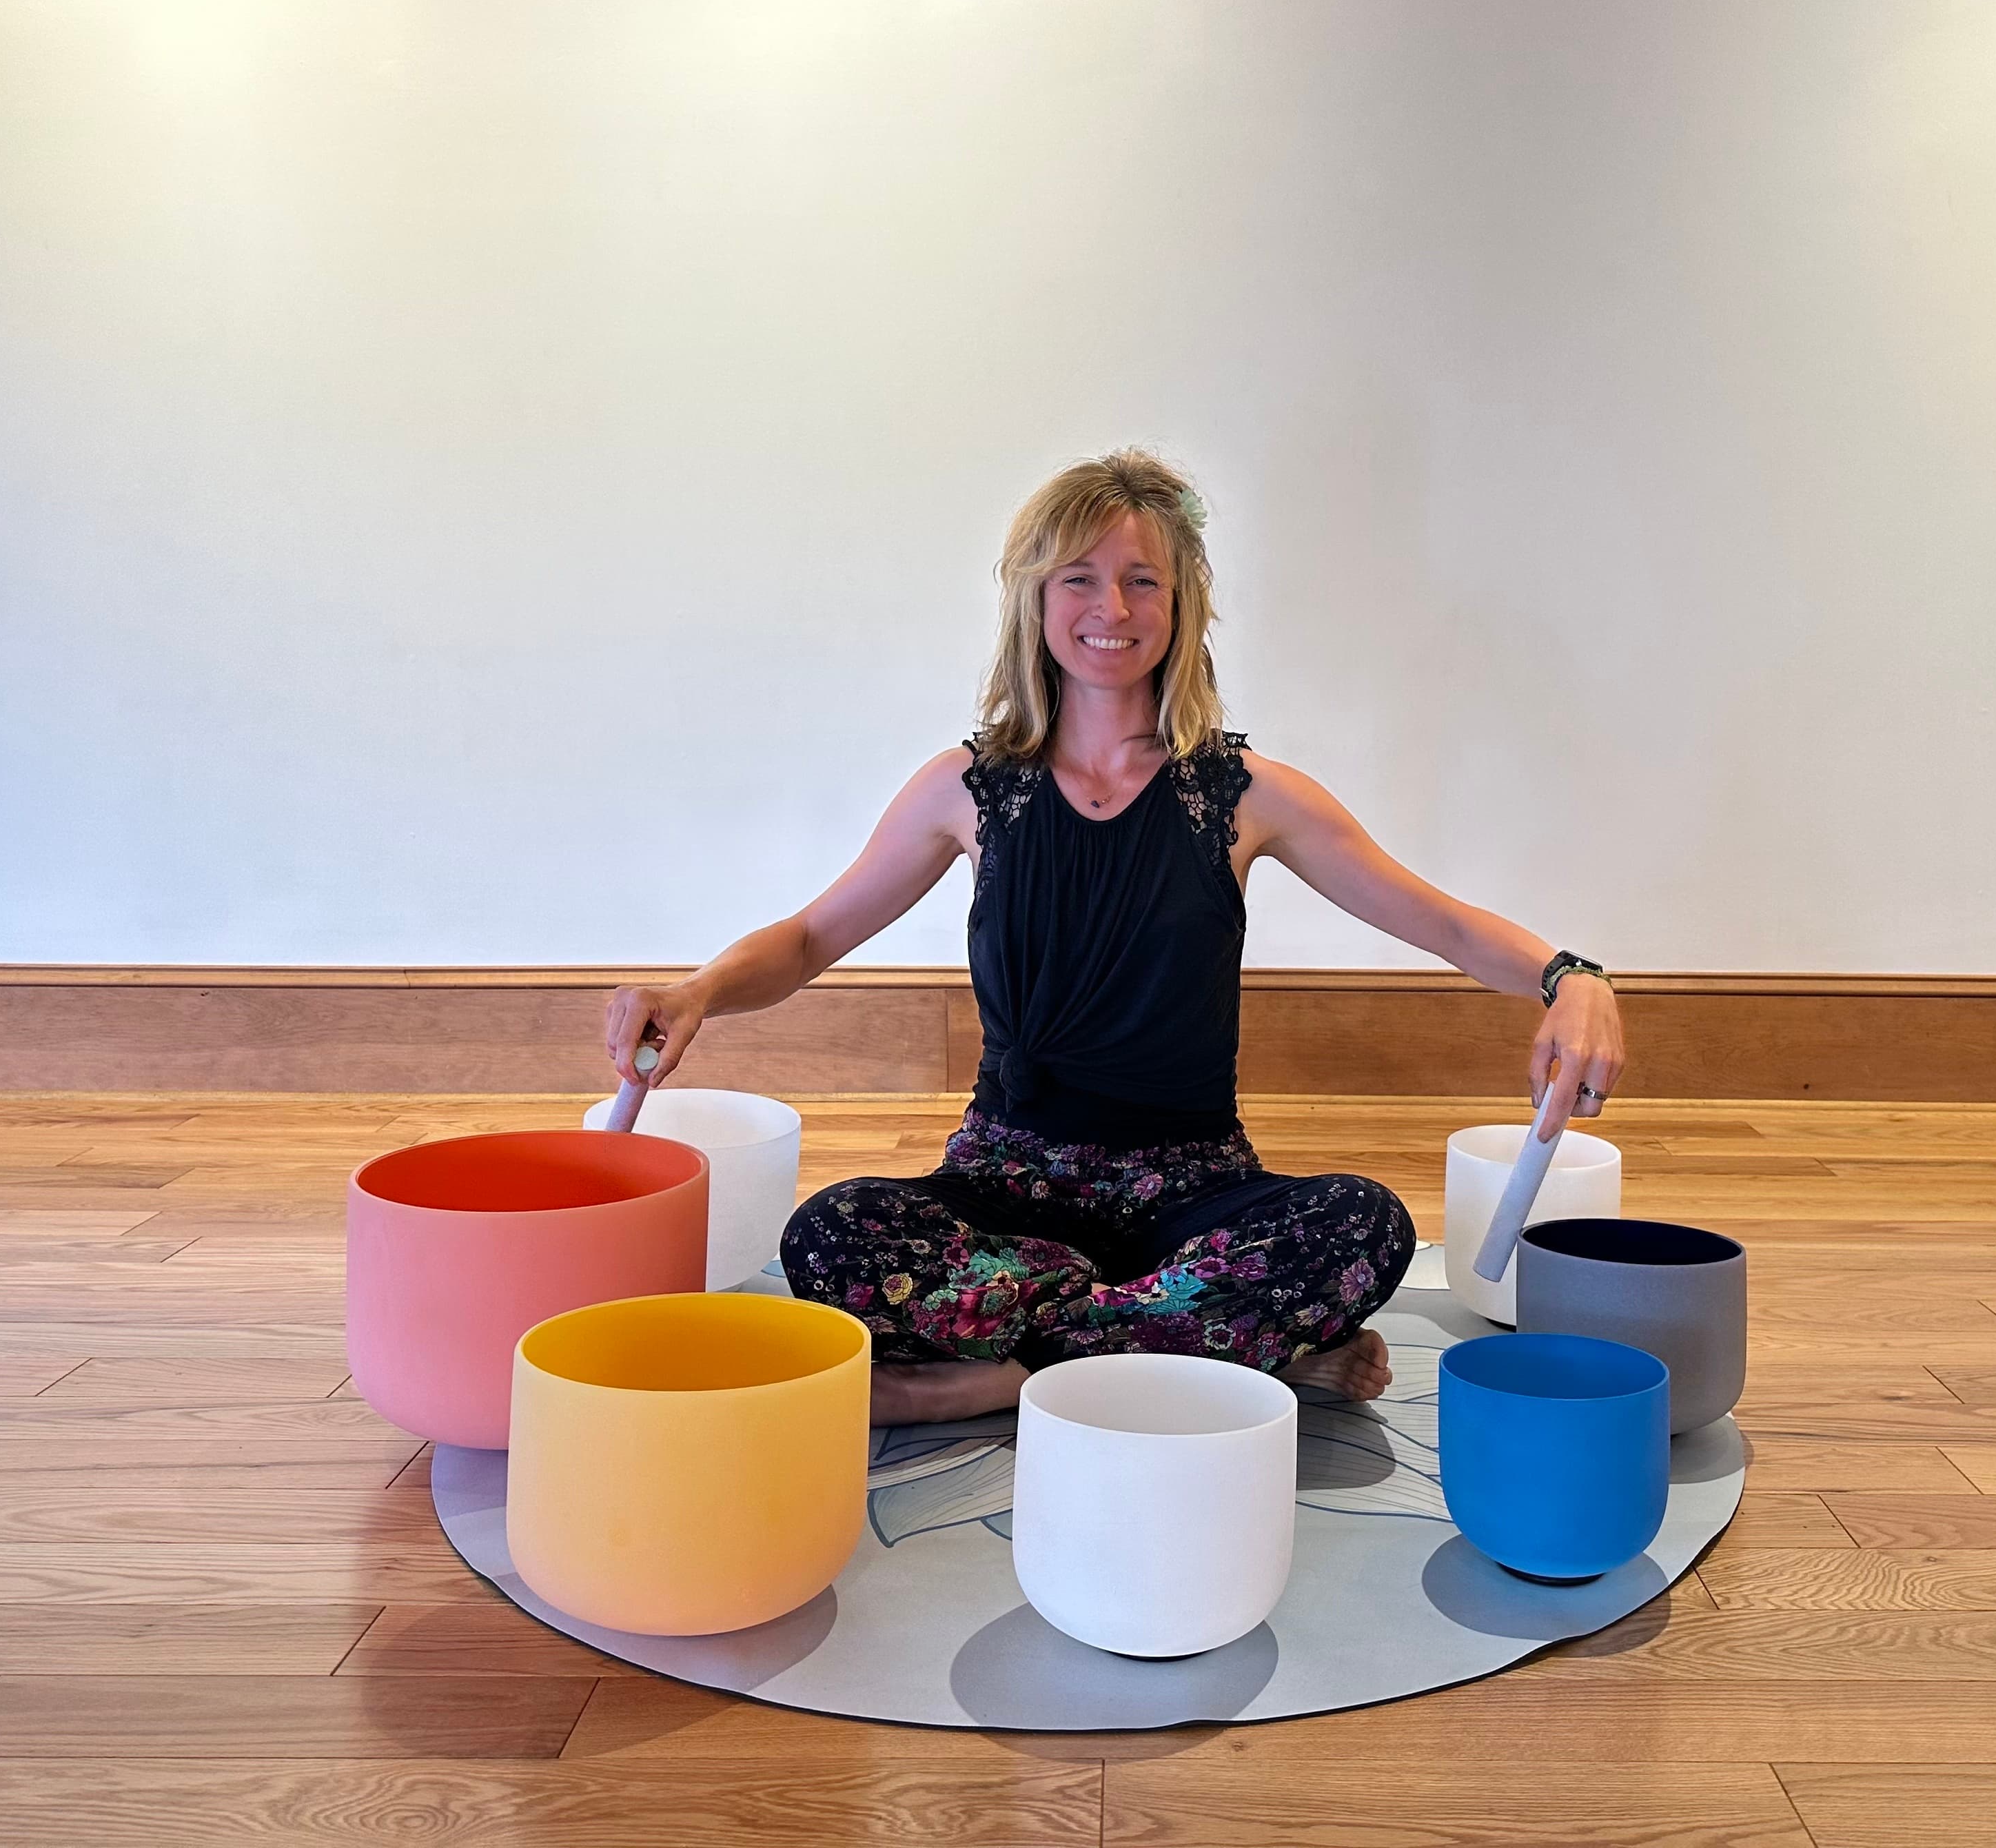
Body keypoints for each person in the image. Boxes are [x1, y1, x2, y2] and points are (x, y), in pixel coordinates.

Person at [604, 450, 1625, 1428]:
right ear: (1035, 602)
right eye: (1080, 580)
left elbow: (1439, 920)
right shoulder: (967, 790)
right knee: (830, 1238)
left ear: (1181, 608)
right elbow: (808, 938)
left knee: (1362, 1225)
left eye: (1144, 581)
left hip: (1195, 1185)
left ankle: (995, 1377)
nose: (1113, 610)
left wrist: (1567, 979)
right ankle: (1216, 1340)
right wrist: (696, 991)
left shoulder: (1245, 795)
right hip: (1004, 1181)